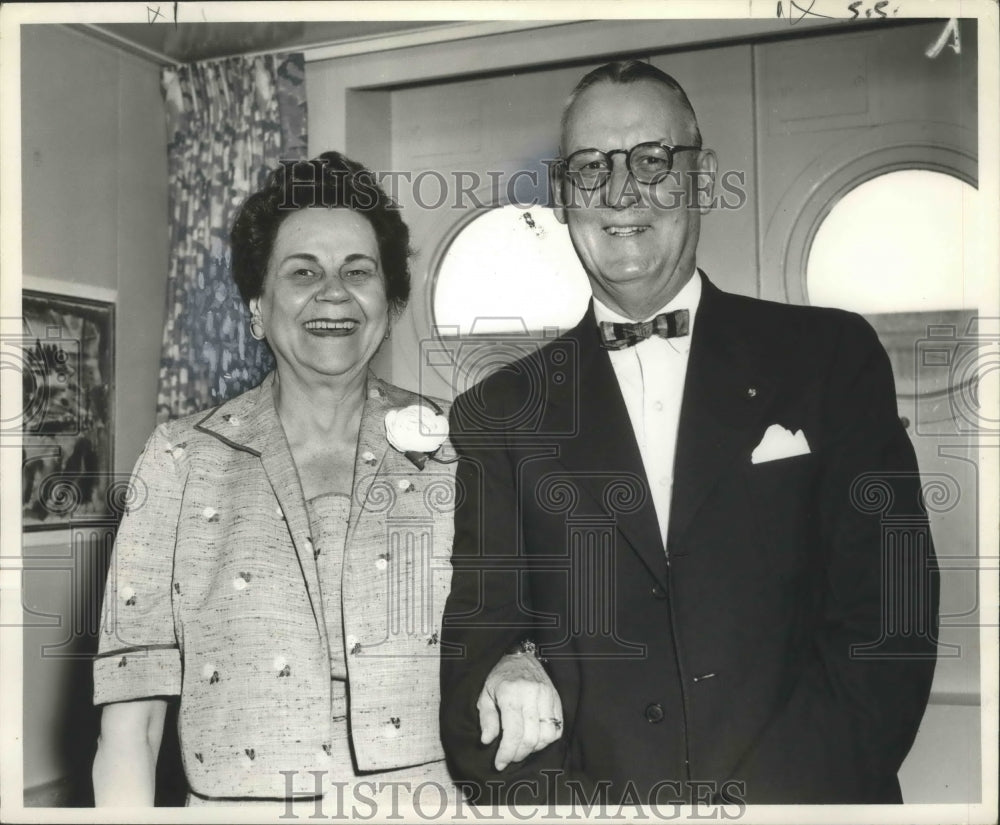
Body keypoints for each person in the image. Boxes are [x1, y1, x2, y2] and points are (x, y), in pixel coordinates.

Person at [440, 61, 939, 806]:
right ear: (562, 193)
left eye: (650, 160)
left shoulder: (830, 358)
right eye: (590, 168)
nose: (620, 193)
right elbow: (477, 664)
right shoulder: (498, 412)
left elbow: (891, 614)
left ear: (700, 177)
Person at [91, 152, 537, 808]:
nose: (334, 291)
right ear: (256, 306)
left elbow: (520, 627)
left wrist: (522, 653)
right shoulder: (179, 459)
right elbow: (132, 725)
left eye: (358, 272)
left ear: (387, 302)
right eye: (303, 272)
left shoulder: (460, 447)